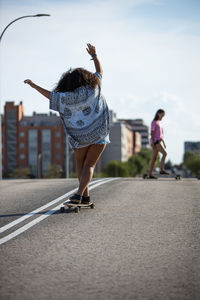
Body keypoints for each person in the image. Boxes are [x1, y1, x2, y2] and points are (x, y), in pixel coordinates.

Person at [24, 43, 110, 204]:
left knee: (80, 164)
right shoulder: (95, 87)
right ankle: (82, 196)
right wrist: (94, 55)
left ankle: (81, 195)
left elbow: (50, 96)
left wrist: (34, 85)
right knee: (90, 165)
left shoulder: (67, 97)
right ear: (86, 78)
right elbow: (100, 70)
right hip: (99, 132)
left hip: (80, 137)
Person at [148, 109, 169, 179]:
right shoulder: (154, 122)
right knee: (165, 154)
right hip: (155, 141)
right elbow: (152, 133)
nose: (162, 116)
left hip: (159, 141)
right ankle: (162, 169)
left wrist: (163, 143)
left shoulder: (159, 122)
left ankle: (150, 174)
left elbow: (161, 134)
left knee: (155, 158)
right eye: (162, 115)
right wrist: (153, 143)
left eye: (163, 115)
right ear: (158, 114)